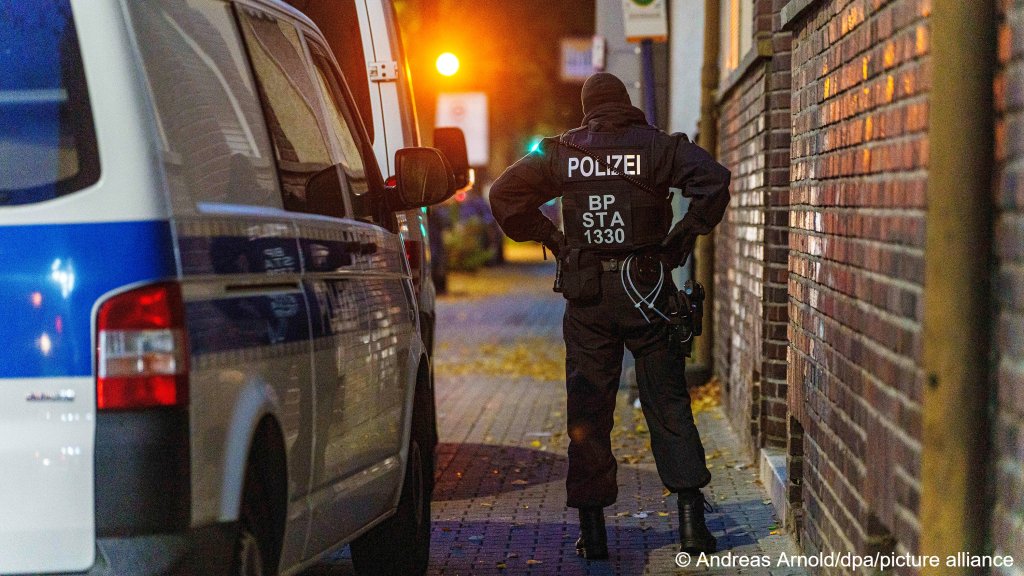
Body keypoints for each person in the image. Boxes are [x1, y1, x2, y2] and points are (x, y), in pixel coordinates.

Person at [488, 72, 730, 560]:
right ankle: (690, 525)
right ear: (626, 104)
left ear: (588, 108)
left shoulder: (560, 152)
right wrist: (682, 238)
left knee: (588, 411)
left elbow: (503, 196)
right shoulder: (659, 146)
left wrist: (554, 240)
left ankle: (593, 532)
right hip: (649, 291)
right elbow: (714, 181)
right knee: (667, 401)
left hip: (589, 298)